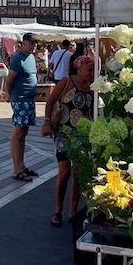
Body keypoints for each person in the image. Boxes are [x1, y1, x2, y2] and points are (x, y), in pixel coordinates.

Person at [42, 55, 94, 227]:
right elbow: (50, 102)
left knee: (77, 173)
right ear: (79, 69)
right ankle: (58, 211)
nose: (91, 73)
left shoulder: (92, 87)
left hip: (82, 135)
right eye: (89, 69)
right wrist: (47, 122)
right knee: (64, 172)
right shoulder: (66, 81)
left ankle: (72, 211)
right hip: (63, 132)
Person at [6, 33, 39, 182]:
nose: (34, 45)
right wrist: (9, 95)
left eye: (36, 43)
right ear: (24, 43)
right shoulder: (17, 58)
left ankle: (22, 165)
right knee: (18, 133)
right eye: (32, 43)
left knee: (23, 133)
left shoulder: (31, 57)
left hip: (29, 99)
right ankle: (16, 170)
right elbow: (10, 79)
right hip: (20, 99)